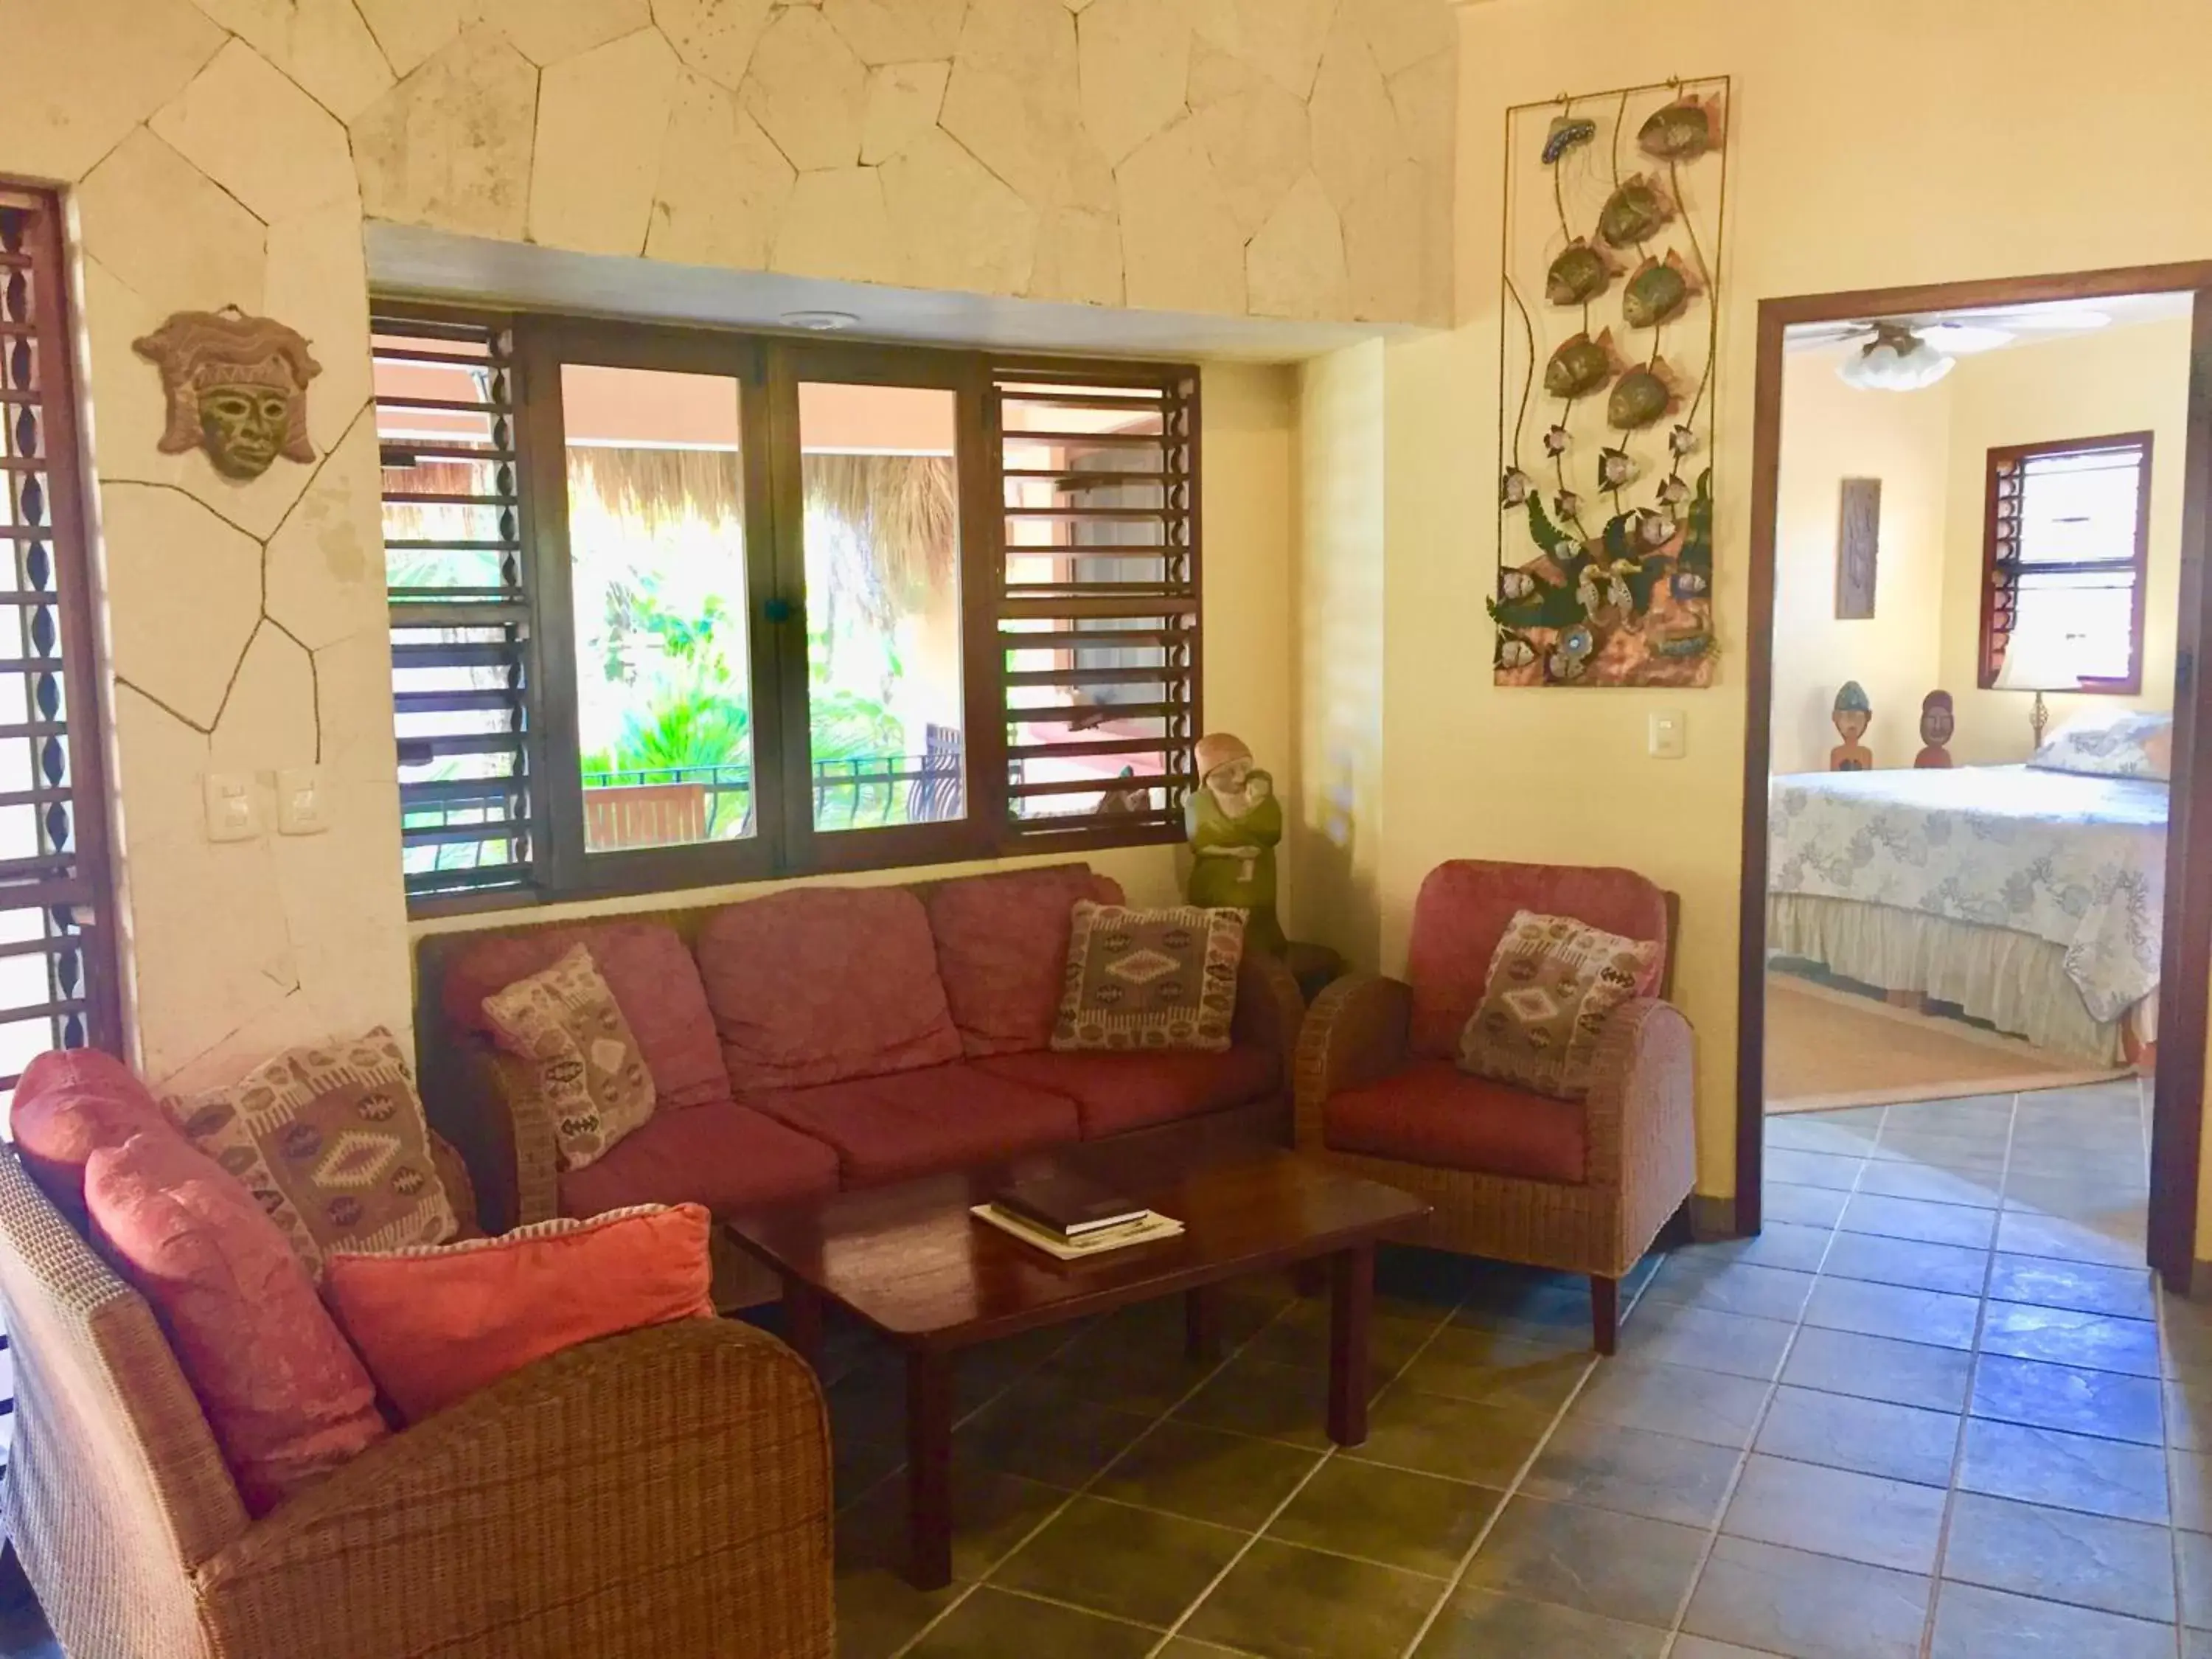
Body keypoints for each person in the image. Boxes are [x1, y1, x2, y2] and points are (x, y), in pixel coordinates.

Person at [1185, 732, 1284, 953]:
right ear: (1208, 776)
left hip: (1259, 883)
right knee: (1218, 930)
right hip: (1217, 884)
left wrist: (1257, 803)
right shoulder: (1198, 802)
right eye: (1228, 772)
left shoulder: (1261, 797)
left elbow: (1272, 832)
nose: (1239, 778)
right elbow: (1199, 843)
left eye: (1245, 769)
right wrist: (1238, 849)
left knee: (1259, 931)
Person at [1913, 690, 1955, 768]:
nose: (1937, 726)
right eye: (1932, 719)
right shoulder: (1923, 756)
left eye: (1944, 719)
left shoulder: (1945, 756)